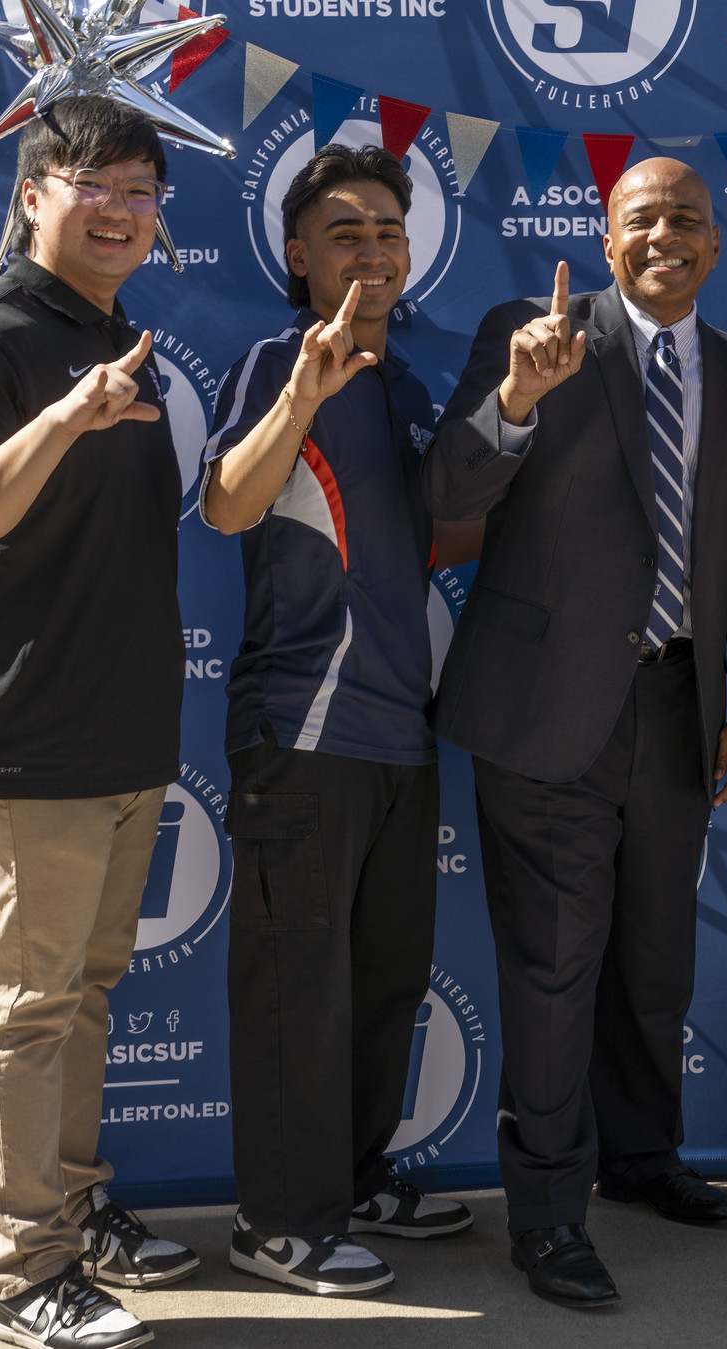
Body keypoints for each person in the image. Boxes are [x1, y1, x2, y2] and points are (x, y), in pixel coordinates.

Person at [422, 159, 727, 1309]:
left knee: (651, 963)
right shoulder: (531, 334)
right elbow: (443, 493)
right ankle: (545, 1216)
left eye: (687, 221)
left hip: (675, 711)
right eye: (644, 220)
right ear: (606, 233)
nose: (666, 239)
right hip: (544, 713)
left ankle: (641, 1158)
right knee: (551, 972)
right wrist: (517, 402)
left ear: (717, 244)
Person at [0, 96, 199, 1349]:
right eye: (98, 186)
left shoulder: (111, 330)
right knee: (25, 1006)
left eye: (143, 191)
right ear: (33, 195)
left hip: (121, 733)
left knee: (80, 994)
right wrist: (62, 419)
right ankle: (27, 1278)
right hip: (24, 740)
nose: (125, 211)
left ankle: (73, 1213)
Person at [199, 144, 480, 1299]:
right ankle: (276, 1224)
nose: (371, 250)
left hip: (399, 737)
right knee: (294, 997)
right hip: (299, 733)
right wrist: (304, 394)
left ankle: (356, 1182)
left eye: (388, 233)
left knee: (380, 985)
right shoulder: (275, 360)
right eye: (346, 232)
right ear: (298, 253)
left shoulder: (411, 386)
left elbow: (424, 543)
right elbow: (224, 504)